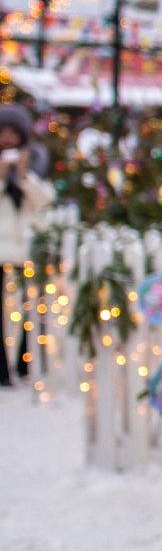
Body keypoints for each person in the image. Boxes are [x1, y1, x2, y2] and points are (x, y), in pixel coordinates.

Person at [0, 104, 54, 386]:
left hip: (26, 245)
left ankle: (26, 361)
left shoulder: (35, 159)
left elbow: (44, 200)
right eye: (3, 132)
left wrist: (22, 176)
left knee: (32, 305)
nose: (7, 138)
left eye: (12, 132)